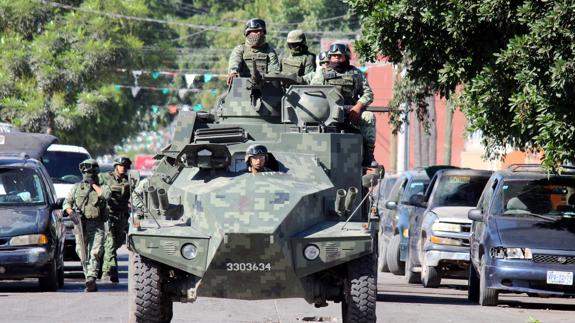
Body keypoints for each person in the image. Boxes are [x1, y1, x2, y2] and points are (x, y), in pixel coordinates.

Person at [310, 43, 376, 165]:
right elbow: (313, 93)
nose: (337, 59)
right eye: (334, 56)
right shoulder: (322, 73)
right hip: (328, 113)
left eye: (340, 56)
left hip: (351, 112)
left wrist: (358, 107)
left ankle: (369, 155)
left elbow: (369, 94)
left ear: (346, 57)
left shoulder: (356, 73)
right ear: (329, 57)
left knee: (369, 116)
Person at [63, 159, 111, 292]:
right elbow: (66, 203)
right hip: (80, 225)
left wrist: (93, 185)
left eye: (90, 172)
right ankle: (88, 279)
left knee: (95, 252)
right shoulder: (77, 188)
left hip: (97, 224)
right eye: (85, 172)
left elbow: (106, 195)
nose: (87, 175)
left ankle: (92, 277)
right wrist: (71, 213)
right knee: (82, 252)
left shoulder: (102, 186)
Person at [98, 156, 133, 283]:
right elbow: (94, 187)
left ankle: (104, 264)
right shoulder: (105, 177)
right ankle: (110, 271)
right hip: (109, 215)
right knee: (110, 243)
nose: (122, 168)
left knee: (117, 243)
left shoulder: (130, 180)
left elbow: (136, 195)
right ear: (116, 166)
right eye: (120, 165)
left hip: (122, 216)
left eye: (124, 166)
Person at [227, 18, 280, 85]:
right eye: (255, 31)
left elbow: (274, 71)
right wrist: (233, 72)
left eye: (261, 31)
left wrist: (265, 78)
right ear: (247, 33)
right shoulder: (240, 49)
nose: (258, 33)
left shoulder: (269, 51)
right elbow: (234, 61)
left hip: (266, 88)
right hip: (243, 87)